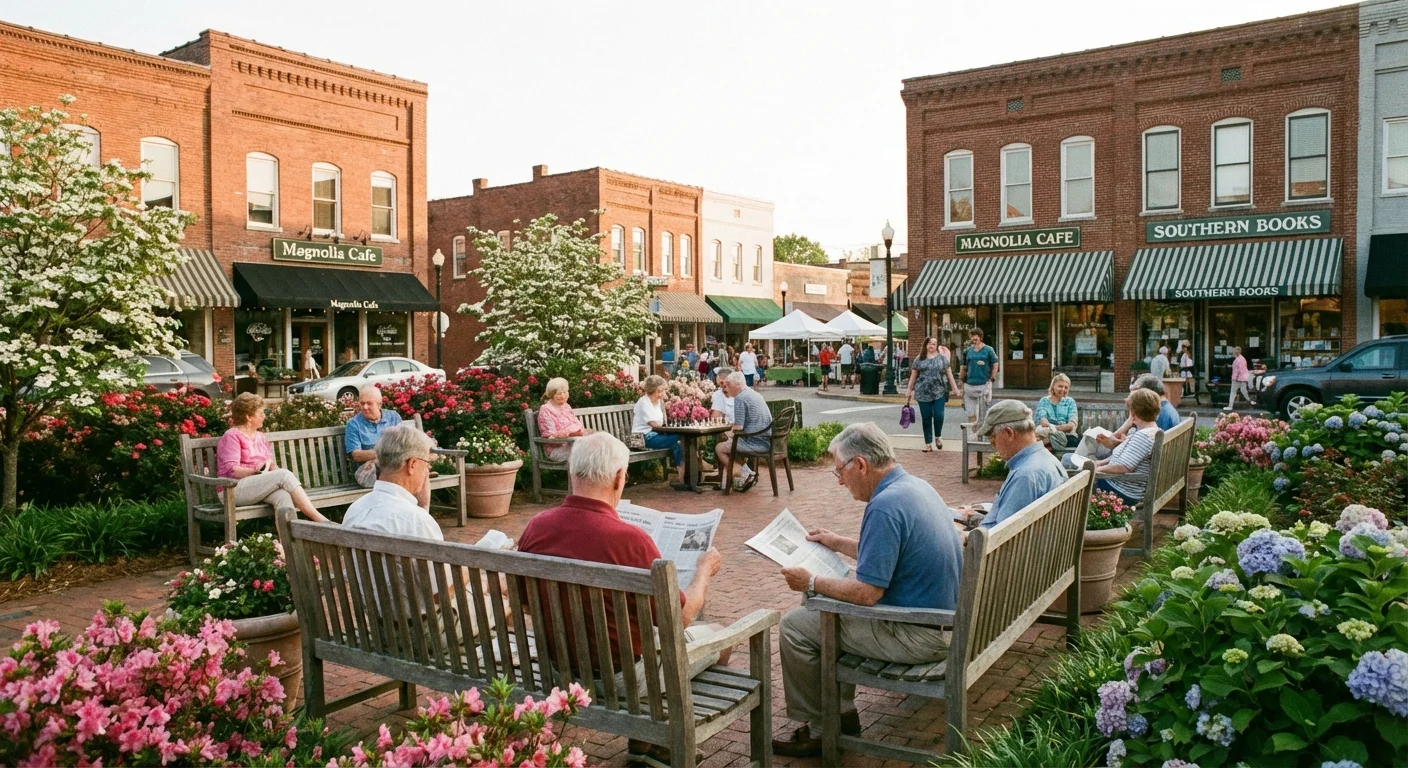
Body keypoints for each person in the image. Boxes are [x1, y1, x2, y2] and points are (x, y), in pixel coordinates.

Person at [518, 432, 727, 766]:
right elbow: (681, 617)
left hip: (558, 669)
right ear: (619, 477)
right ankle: (664, 740)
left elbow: (525, 603)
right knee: (716, 636)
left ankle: (648, 743)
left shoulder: (536, 528)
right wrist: (704, 570)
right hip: (621, 678)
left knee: (649, 637)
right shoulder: (631, 541)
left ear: (572, 474)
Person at [772, 423, 963, 757]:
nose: (841, 481)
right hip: (945, 623)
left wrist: (812, 582)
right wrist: (837, 542)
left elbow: (867, 594)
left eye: (840, 472)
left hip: (921, 636)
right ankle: (839, 714)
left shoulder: (884, 505)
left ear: (860, 464)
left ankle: (823, 728)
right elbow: (892, 553)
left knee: (796, 626)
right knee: (818, 610)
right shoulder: (915, 486)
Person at [217, 393, 330, 524]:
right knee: (284, 475)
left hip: (256, 486)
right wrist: (256, 471)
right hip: (232, 490)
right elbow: (233, 470)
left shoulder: (260, 436)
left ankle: (288, 543)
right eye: (260, 413)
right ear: (248, 416)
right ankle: (322, 521)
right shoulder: (231, 436)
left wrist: (274, 472)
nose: (264, 416)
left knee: (283, 496)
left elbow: (271, 464)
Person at [959, 401, 1068, 530]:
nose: (993, 445)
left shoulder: (1025, 475)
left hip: (1002, 546)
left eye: (992, 438)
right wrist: (973, 517)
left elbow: (999, 534)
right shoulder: (1047, 460)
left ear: (1009, 433)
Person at [343, 425, 443, 539]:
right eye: (426, 464)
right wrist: (424, 512)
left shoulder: (355, 509)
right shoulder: (419, 521)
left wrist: (423, 508)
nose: (426, 471)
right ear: (412, 464)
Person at [1063, 374, 1177, 468]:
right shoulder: (1159, 412)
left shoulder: (1155, 415)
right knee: (1086, 444)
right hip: (1124, 461)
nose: (1133, 395)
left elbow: (1127, 464)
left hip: (1124, 477)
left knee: (1069, 459)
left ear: (1147, 393)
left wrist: (1096, 469)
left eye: (1136, 391)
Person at [344, 384, 426, 502]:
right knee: (402, 473)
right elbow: (356, 455)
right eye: (362, 403)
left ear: (379, 405)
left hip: (394, 466)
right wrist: (385, 452)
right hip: (369, 471)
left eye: (369, 403)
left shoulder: (393, 417)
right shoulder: (354, 424)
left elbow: (404, 443)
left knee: (421, 467)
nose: (365, 407)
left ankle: (423, 510)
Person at [1090, 388, 1162, 505]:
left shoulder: (1143, 436)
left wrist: (1096, 470)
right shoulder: (1151, 430)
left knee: (1070, 471)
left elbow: (1124, 467)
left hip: (1123, 489)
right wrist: (1098, 463)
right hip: (1125, 484)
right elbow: (1124, 458)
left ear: (1134, 412)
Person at [714, 371, 773, 492]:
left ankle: (744, 474)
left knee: (720, 448)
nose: (727, 388)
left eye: (728, 385)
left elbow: (738, 427)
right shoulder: (753, 394)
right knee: (730, 444)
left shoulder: (740, 398)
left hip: (755, 442)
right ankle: (745, 473)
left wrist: (729, 431)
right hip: (766, 439)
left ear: (736, 384)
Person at [905, 336, 959, 452]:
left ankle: (938, 437)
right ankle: (928, 443)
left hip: (939, 391)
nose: (931, 346)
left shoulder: (942, 359)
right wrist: (909, 389)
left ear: (936, 346)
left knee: (939, 415)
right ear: (925, 345)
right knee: (926, 418)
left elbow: (949, 374)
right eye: (929, 343)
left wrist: (955, 389)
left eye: (934, 344)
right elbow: (913, 375)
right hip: (922, 392)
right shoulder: (919, 359)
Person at [632, 375, 685, 485]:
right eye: (659, 391)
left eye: (663, 391)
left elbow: (661, 424)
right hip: (645, 438)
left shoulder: (659, 402)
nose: (662, 394)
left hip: (657, 435)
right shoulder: (643, 402)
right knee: (681, 437)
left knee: (679, 444)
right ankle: (688, 473)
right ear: (651, 390)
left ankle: (682, 478)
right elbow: (653, 425)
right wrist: (670, 431)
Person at [537, 377, 589, 462]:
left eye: (565, 392)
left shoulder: (567, 407)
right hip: (557, 449)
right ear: (552, 394)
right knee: (588, 455)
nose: (563, 396)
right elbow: (551, 436)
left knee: (596, 452)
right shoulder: (546, 410)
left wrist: (575, 432)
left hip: (574, 444)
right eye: (559, 394)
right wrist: (568, 433)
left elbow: (578, 425)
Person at [959, 329, 999, 425]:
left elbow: (995, 364)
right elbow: (963, 367)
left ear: (980, 337)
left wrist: (992, 378)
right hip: (969, 385)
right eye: (972, 336)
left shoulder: (989, 350)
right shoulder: (967, 351)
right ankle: (975, 435)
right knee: (971, 413)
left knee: (982, 414)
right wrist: (961, 384)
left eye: (975, 335)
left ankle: (981, 436)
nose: (973, 338)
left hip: (983, 385)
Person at [1034, 373, 1078, 449]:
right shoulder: (1044, 401)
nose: (1063, 389)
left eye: (1066, 387)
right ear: (1053, 386)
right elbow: (1043, 421)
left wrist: (1054, 429)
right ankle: (1049, 442)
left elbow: (1071, 425)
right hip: (1046, 432)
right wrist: (1055, 429)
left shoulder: (1070, 402)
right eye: (1060, 386)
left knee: (1042, 440)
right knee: (1041, 433)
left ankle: (1047, 442)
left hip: (1065, 436)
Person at [1226, 346, 1250, 411]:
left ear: (1236, 352)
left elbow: (1237, 370)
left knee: (1233, 392)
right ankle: (1250, 401)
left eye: (1233, 352)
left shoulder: (1237, 360)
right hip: (1244, 378)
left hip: (1237, 379)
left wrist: (1234, 378)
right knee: (1243, 391)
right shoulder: (1243, 359)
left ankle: (1230, 406)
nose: (1232, 353)